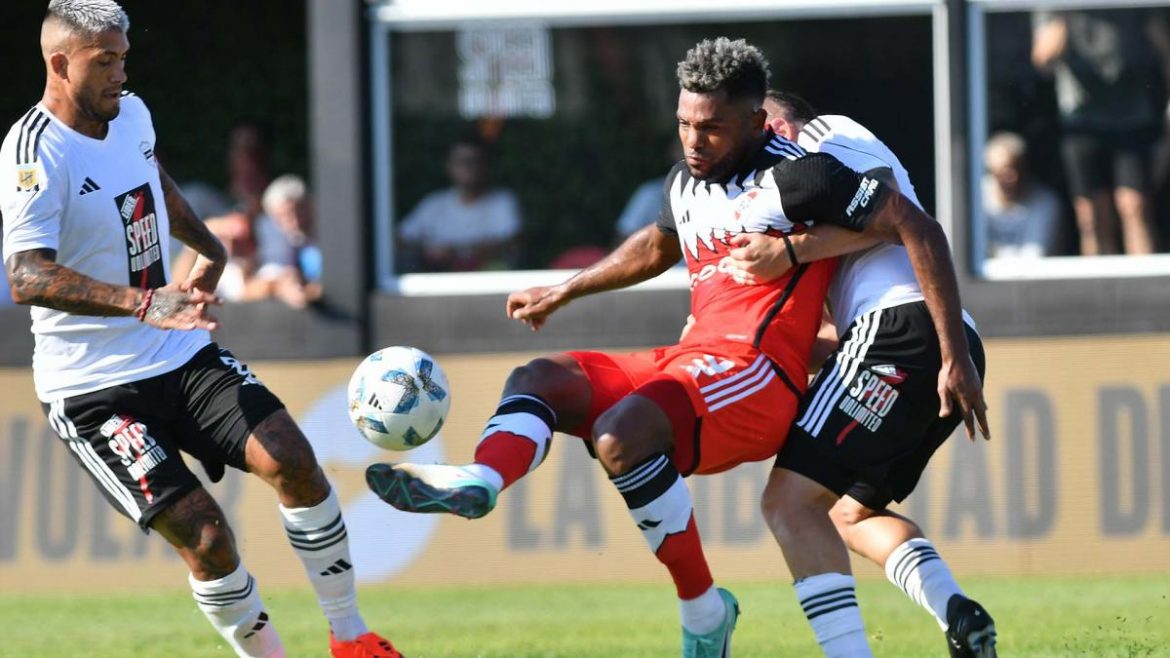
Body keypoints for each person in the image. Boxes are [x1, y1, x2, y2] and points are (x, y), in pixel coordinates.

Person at [367, 37, 985, 657]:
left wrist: (806, 259)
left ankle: (713, 614)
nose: (693, 140)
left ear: (756, 122)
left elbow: (906, 220)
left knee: (635, 438)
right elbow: (657, 245)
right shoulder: (684, 182)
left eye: (712, 128)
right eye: (685, 123)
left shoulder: (805, 173)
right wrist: (565, 290)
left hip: (753, 374)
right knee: (543, 378)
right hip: (695, 358)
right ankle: (482, 479)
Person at [0, 3, 400, 657]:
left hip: (178, 354)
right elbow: (27, 276)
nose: (120, 75)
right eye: (105, 61)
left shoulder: (130, 114)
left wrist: (208, 245)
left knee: (293, 460)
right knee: (208, 539)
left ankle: (352, 640)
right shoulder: (32, 155)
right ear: (58, 63)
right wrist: (141, 302)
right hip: (94, 390)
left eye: (124, 58)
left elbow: (148, 178)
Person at [729, 90, 996, 657]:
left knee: (788, 504)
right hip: (924, 336)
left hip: (904, 329)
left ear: (774, 123)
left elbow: (902, 214)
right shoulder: (813, 207)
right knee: (852, 514)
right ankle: (958, 612)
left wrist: (791, 253)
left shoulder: (825, 134)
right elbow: (833, 339)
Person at [1032, 9, 1164, 255]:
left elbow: (1164, 48)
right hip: (1081, 120)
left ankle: (1144, 286)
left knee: (1134, 207)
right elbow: (1043, 58)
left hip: (1131, 117)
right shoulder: (1055, 9)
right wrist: (1066, 15)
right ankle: (1098, 289)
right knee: (1090, 214)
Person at [397, 133, 522, 272]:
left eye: (475, 161)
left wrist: (457, 252)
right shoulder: (434, 204)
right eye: (462, 161)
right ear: (449, 166)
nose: (468, 167)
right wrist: (426, 251)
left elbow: (513, 243)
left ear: (486, 166)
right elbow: (400, 238)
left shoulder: (502, 202)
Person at [982, 131, 1062, 258]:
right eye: (999, 173)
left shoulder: (1045, 202)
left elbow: (1035, 257)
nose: (1008, 178)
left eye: (1014, 169)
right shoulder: (976, 201)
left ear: (1024, 169)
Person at [254, 174, 322, 309]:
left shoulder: (333, 238)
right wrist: (285, 285)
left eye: (298, 211)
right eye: (283, 217)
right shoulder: (291, 246)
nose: (294, 221)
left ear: (310, 205)